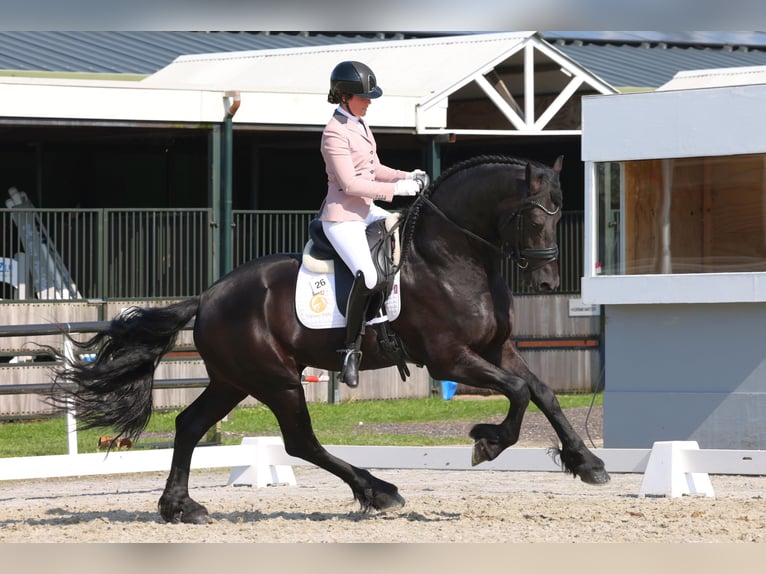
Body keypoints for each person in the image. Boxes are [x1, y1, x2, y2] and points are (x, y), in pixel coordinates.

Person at [318, 60, 426, 388]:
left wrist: (407, 175)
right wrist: (397, 190)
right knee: (367, 277)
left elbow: (374, 167)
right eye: (364, 97)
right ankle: (350, 351)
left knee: (415, 229)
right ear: (345, 96)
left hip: (367, 211)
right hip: (343, 218)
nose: (369, 102)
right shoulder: (334, 133)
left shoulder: (360, 123)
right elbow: (350, 184)